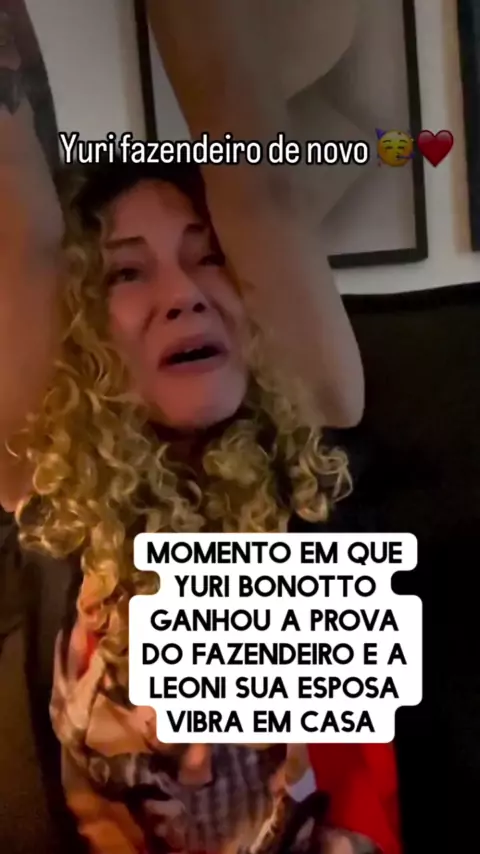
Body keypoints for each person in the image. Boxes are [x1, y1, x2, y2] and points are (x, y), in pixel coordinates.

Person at [0, 3, 404, 853]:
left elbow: (261, 181)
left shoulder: (313, 453)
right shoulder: (49, 486)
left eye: (208, 254)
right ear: (78, 322)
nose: (182, 293)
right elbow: (27, 232)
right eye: (125, 273)